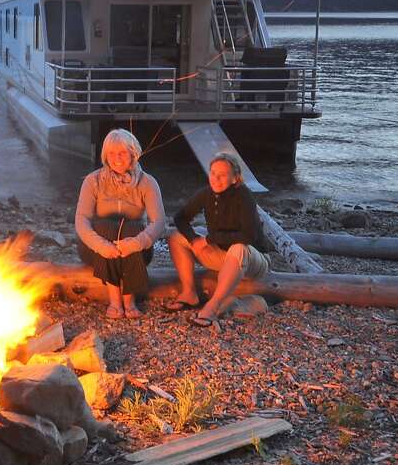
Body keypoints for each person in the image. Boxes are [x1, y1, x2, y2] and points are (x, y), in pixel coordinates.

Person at [167, 152, 270, 325]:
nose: (215, 178)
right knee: (176, 237)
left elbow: (247, 236)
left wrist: (208, 240)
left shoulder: (244, 196)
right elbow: (180, 218)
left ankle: (213, 306)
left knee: (238, 247)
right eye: (213, 173)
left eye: (222, 175)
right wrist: (194, 240)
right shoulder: (207, 194)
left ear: (235, 178)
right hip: (224, 257)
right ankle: (189, 293)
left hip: (254, 261)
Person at [74, 129, 166, 319]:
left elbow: (158, 222)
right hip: (97, 250)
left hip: (135, 250)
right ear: (105, 155)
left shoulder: (148, 183)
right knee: (105, 226)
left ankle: (128, 300)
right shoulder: (93, 181)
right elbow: (81, 220)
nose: (117, 158)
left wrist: (137, 243)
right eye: (112, 153)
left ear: (133, 153)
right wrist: (102, 246)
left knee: (133, 227)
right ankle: (115, 300)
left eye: (123, 152)